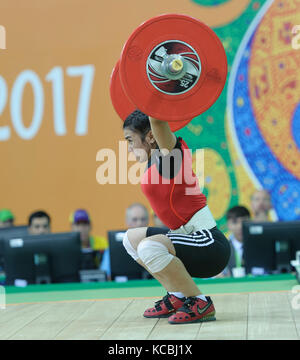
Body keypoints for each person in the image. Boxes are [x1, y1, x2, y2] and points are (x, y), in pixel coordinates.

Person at [121, 110, 231, 325]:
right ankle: (177, 296)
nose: (129, 148)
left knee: (149, 247)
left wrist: (156, 87)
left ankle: (200, 302)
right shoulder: (153, 161)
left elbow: (157, 119)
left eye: (130, 140)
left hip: (209, 245)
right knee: (131, 240)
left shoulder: (171, 158)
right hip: (185, 239)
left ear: (151, 137)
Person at [100, 203, 150, 279]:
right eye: (135, 219)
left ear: (148, 221)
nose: (139, 223)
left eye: (142, 219)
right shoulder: (114, 247)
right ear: (127, 221)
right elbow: (104, 273)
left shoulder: (156, 243)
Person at [222, 206, 251, 277]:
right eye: (235, 222)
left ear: (250, 222)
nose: (240, 226)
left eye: (244, 222)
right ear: (228, 225)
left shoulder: (259, 246)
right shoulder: (222, 249)